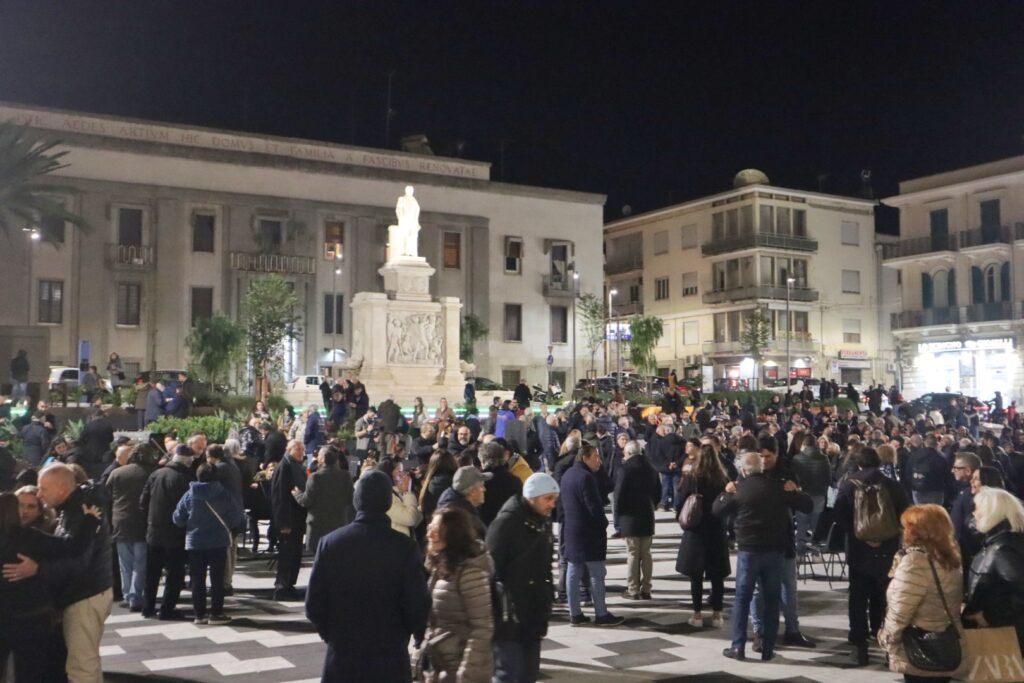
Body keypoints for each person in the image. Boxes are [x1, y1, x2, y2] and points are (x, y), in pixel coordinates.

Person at [305, 469, 430, 683]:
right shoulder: (404, 547)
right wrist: (415, 637)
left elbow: (314, 605)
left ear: (356, 501)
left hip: (343, 655)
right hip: (389, 655)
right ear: (387, 503)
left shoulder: (331, 543)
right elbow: (417, 605)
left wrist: (333, 636)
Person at [2, 463, 114, 682]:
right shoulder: (74, 511)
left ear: (62, 489)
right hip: (79, 594)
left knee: (82, 665)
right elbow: (72, 548)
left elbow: (78, 555)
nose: (39, 493)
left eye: (43, 488)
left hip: (85, 594)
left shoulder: (79, 511)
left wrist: (38, 569)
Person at [713, 451, 812, 661]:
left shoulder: (740, 490)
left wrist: (725, 493)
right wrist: (797, 490)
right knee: (771, 599)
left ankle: (738, 646)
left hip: (748, 551)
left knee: (742, 598)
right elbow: (807, 505)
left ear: (742, 470)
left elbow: (717, 511)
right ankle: (768, 649)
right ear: (761, 467)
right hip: (774, 552)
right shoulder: (778, 486)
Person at [834, 446, 909, 666]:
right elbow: (905, 513)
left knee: (857, 598)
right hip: (887, 549)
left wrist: (860, 534)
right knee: (884, 597)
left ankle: (859, 646)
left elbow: (839, 515)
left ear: (857, 464)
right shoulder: (892, 485)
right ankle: (884, 642)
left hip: (858, 550)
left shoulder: (848, 485)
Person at [486, 473, 559, 683]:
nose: (552, 504)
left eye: (555, 499)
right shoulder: (506, 523)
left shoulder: (543, 523)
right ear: (532, 498)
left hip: (533, 615)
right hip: (509, 618)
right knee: (509, 674)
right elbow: (489, 571)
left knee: (528, 674)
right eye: (548, 498)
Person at [878, 505, 963, 683]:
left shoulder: (916, 562)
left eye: (906, 526)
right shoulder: (950, 557)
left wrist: (887, 639)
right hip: (946, 641)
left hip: (919, 644)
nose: (903, 531)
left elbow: (901, 610)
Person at [424, 505, 495, 682]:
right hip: (443, 667)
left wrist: (467, 674)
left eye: (436, 530)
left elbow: (482, 628)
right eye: (430, 528)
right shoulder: (440, 569)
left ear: (452, 535)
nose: (429, 535)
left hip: (462, 670)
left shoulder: (470, 574)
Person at [560, 442, 624, 626]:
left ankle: (575, 613)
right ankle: (601, 614)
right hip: (589, 533)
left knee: (573, 572)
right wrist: (603, 523)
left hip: (572, 531)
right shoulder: (586, 477)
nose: (599, 461)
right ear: (585, 458)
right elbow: (594, 507)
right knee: (596, 573)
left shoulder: (568, 475)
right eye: (596, 457)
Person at [173, 463, 243, 625]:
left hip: (195, 542)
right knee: (217, 579)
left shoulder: (190, 495)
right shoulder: (223, 494)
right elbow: (235, 517)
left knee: (197, 579)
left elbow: (178, 518)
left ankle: (199, 614)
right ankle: (216, 613)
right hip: (218, 541)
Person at [675, 443, 730, 627]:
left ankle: (697, 614)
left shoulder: (693, 477)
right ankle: (717, 614)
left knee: (696, 575)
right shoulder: (723, 478)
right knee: (717, 576)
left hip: (696, 529)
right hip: (716, 528)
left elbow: (680, 500)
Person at [963, 487, 1024, 653]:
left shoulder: (1002, 549)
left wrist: (990, 616)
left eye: (977, 508)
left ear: (992, 511)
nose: (974, 514)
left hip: (1005, 635)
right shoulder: (999, 543)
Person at [140, 444, 195, 620]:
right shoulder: (186, 478)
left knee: (152, 572)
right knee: (174, 573)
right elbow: (188, 508)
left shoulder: (156, 474)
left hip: (153, 530)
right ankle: (167, 609)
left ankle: (147, 607)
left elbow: (143, 502)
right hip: (175, 533)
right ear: (188, 461)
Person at [106, 444, 151, 612]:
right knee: (141, 562)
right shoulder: (150, 473)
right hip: (142, 521)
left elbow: (107, 494)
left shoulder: (117, 473)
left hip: (120, 521)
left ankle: (127, 594)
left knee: (125, 563)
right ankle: (135, 596)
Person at [615, 440, 660, 601]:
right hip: (647, 514)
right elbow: (658, 493)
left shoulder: (625, 469)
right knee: (646, 553)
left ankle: (633, 589)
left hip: (629, 516)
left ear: (628, 453)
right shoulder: (651, 468)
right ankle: (647, 588)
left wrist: (617, 519)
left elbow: (618, 496)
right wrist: (651, 505)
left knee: (633, 553)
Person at [294, 445, 353, 550]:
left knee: (318, 557)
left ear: (322, 459)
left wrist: (297, 494)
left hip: (318, 525)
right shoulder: (346, 476)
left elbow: (306, 501)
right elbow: (350, 499)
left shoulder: (315, 477)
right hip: (338, 523)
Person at [271, 439, 307, 600]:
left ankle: (289, 585)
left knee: (294, 554)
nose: (301, 452)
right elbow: (280, 497)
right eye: (298, 449)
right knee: (287, 554)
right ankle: (282, 587)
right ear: (289, 449)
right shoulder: (284, 466)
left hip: (297, 519)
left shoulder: (295, 465)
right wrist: (283, 523)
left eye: (302, 449)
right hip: (289, 520)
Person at [438, 465, 491, 537]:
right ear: (472, 491)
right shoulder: (465, 521)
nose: (484, 489)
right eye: (481, 485)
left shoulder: (452, 505)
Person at [479, 441, 524, 526]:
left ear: (483, 461)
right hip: (511, 528)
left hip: (487, 529)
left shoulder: (480, 482)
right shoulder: (515, 480)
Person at [376, 457, 422, 537]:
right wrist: (407, 492)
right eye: (399, 471)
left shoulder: (398, 493)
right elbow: (410, 519)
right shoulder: (387, 497)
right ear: (389, 474)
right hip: (396, 545)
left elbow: (417, 519)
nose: (403, 475)